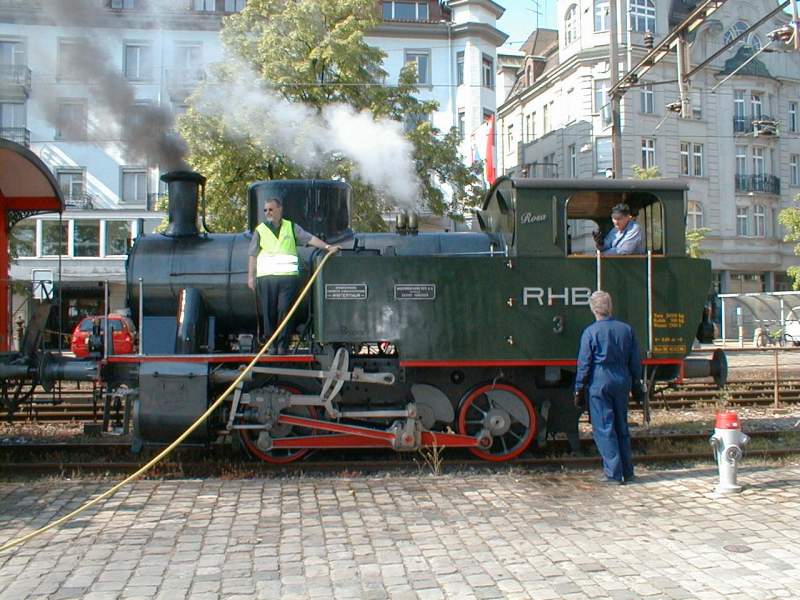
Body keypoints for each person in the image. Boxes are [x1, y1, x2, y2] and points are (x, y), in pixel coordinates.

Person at [247, 197, 339, 354]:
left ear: (279, 209)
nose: (268, 212)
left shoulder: (291, 227)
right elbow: (253, 254)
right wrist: (250, 276)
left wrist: (327, 247)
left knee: (285, 310)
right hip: (266, 278)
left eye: (271, 209)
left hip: (288, 278)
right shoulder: (260, 230)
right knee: (269, 312)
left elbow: (309, 238)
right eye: (265, 210)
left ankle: (282, 345)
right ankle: (271, 344)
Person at [574, 291, 644, 484]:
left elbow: (584, 364)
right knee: (621, 425)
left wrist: (579, 388)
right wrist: (636, 383)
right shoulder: (626, 330)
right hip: (622, 379)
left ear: (593, 309)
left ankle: (613, 473)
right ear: (610, 307)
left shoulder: (590, 332)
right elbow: (635, 361)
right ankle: (628, 472)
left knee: (604, 427)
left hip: (600, 380)